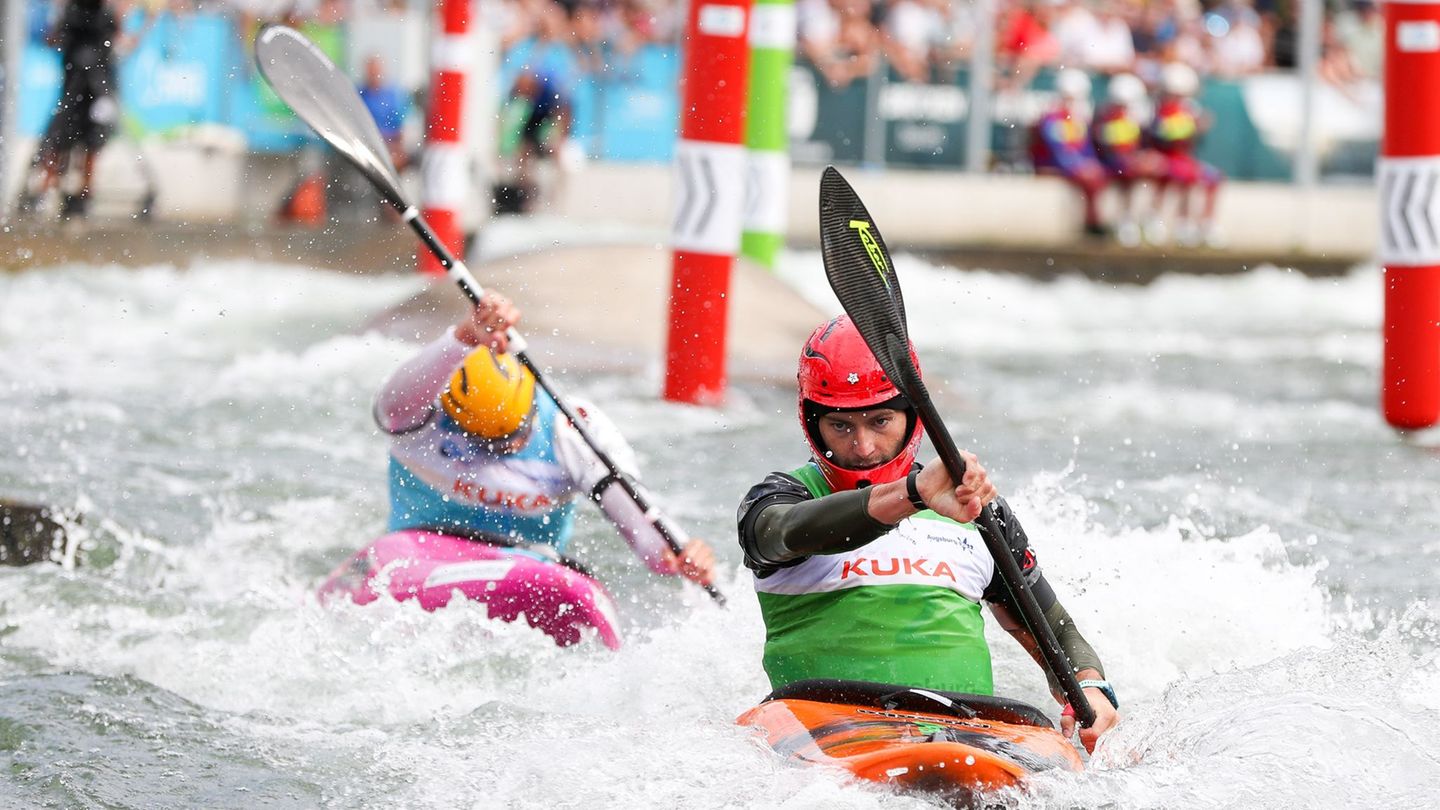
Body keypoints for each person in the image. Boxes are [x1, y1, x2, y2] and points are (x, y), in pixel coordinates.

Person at [737, 316, 1120, 753]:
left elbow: (1054, 630)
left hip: (971, 739)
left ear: (911, 416)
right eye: (841, 426)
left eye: (880, 421)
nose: (863, 447)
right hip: (826, 730)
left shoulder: (977, 510)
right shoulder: (778, 502)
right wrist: (914, 493)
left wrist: (1091, 687)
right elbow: (789, 532)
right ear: (812, 421)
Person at [374, 293, 716, 592]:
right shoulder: (418, 413)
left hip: (528, 569)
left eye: (512, 439)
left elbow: (643, 531)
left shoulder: (573, 430)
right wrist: (465, 336)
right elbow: (388, 408)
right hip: (420, 558)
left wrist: (677, 554)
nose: (502, 450)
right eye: (486, 443)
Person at [18, 0, 123, 220]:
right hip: (76, 86)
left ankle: (82, 192)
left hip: (95, 87)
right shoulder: (73, 14)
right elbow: (55, 39)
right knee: (59, 137)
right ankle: (48, 187)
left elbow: (113, 38)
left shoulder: (101, 15)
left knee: (91, 140)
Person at [1148, 62, 1223, 247]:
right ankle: (1161, 222)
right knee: (1182, 177)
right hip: (1165, 159)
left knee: (1213, 177)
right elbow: (1162, 136)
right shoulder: (1158, 109)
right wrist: (1193, 126)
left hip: (1184, 160)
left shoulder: (1189, 109)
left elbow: (1191, 140)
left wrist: (1198, 126)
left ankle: (1205, 224)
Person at [1030, 68, 1110, 238]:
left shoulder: (1076, 119)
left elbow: (1085, 149)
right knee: (1091, 179)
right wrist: (1079, 167)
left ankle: (1095, 221)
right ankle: (1093, 221)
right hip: (1051, 165)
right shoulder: (1051, 119)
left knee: (1097, 175)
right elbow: (1057, 152)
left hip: (1071, 165)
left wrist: (1090, 164)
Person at [1092, 72, 1166, 246]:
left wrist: (1145, 157)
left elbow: (1144, 143)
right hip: (1110, 162)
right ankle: (1125, 218)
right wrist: (1134, 159)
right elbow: (1108, 148)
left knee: (1162, 170)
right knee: (1129, 173)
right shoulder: (1106, 117)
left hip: (1129, 160)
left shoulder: (1136, 117)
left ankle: (1151, 216)